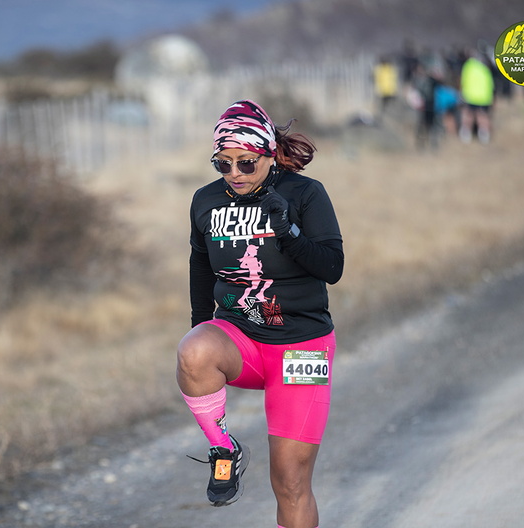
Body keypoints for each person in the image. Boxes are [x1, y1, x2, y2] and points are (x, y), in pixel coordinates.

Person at [177, 100, 344, 528]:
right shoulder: (206, 200)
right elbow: (200, 264)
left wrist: (288, 231)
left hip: (301, 348)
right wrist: (203, 327)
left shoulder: (305, 193)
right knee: (193, 350)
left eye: (246, 163)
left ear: (269, 155)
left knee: (290, 481)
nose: (234, 173)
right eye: (223, 163)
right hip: (242, 339)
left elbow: (332, 267)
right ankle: (224, 449)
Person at [459, 52, 494, 144]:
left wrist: (462, 93)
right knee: (482, 116)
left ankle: (466, 135)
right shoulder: (486, 67)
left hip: (470, 95)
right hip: (484, 97)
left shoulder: (468, 66)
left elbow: (463, 81)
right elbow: (490, 83)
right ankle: (484, 135)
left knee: (468, 116)